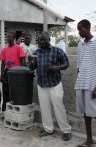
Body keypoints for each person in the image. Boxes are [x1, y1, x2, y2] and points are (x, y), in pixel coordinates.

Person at [29, 31, 71, 141]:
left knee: (59, 108)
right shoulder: (36, 52)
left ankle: (66, 130)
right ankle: (48, 129)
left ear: (48, 40)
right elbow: (31, 68)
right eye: (40, 40)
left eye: (44, 39)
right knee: (45, 108)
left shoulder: (57, 51)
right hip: (42, 84)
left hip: (54, 84)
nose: (42, 41)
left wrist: (57, 68)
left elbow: (66, 63)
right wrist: (31, 62)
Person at [75, 19, 96, 147]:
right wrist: (78, 83)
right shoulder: (80, 44)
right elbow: (78, 65)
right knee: (86, 114)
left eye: (80, 29)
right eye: (77, 29)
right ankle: (89, 140)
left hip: (93, 84)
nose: (79, 32)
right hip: (82, 84)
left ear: (88, 28)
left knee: (95, 112)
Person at [0, 32, 25, 111]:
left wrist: (23, 74)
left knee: (16, 91)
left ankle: (16, 109)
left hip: (17, 73)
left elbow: (23, 61)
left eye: (10, 37)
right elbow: (3, 63)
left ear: (14, 38)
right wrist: (2, 74)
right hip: (8, 72)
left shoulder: (19, 48)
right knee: (6, 91)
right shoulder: (4, 50)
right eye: (7, 36)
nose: (8, 38)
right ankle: (5, 109)